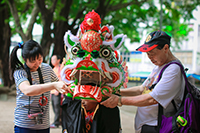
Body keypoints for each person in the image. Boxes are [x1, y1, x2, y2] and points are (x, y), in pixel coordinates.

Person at [101, 31, 185, 133]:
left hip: (158, 127)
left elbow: (152, 99)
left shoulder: (173, 70)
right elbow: (142, 89)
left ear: (166, 48)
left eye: (152, 54)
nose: (149, 57)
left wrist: (119, 100)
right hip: (147, 125)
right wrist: (116, 92)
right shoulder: (159, 66)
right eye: (147, 54)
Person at [9, 39, 69, 133]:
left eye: (39, 59)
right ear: (24, 59)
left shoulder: (47, 68)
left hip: (44, 126)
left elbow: (60, 83)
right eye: (33, 60)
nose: (37, 63)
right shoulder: (20, 72)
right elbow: (27, 90)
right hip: (24, 125)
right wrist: (53, 85)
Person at [50, 55, 65, 128]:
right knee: (53, 106)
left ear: (58, 60)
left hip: (57, 91)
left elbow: (61, 79)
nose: (52, 61)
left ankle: (56, 122)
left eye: (54, 60)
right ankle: (59, 121)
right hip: (52, 91)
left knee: (57, 107)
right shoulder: (53, 69)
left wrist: (58, 90)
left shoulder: (61, 68)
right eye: (51, 60)